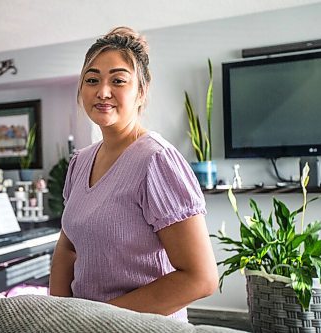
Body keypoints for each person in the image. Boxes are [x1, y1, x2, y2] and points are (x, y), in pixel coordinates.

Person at [49, 26, 218, 322]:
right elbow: (68, 247)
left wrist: (96, 320)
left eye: (118, 80)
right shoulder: (80, 162)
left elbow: (200, 278)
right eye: (92, 80)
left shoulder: (156, 161)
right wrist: (58, 319)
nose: (102, 91)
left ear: (141, 92)